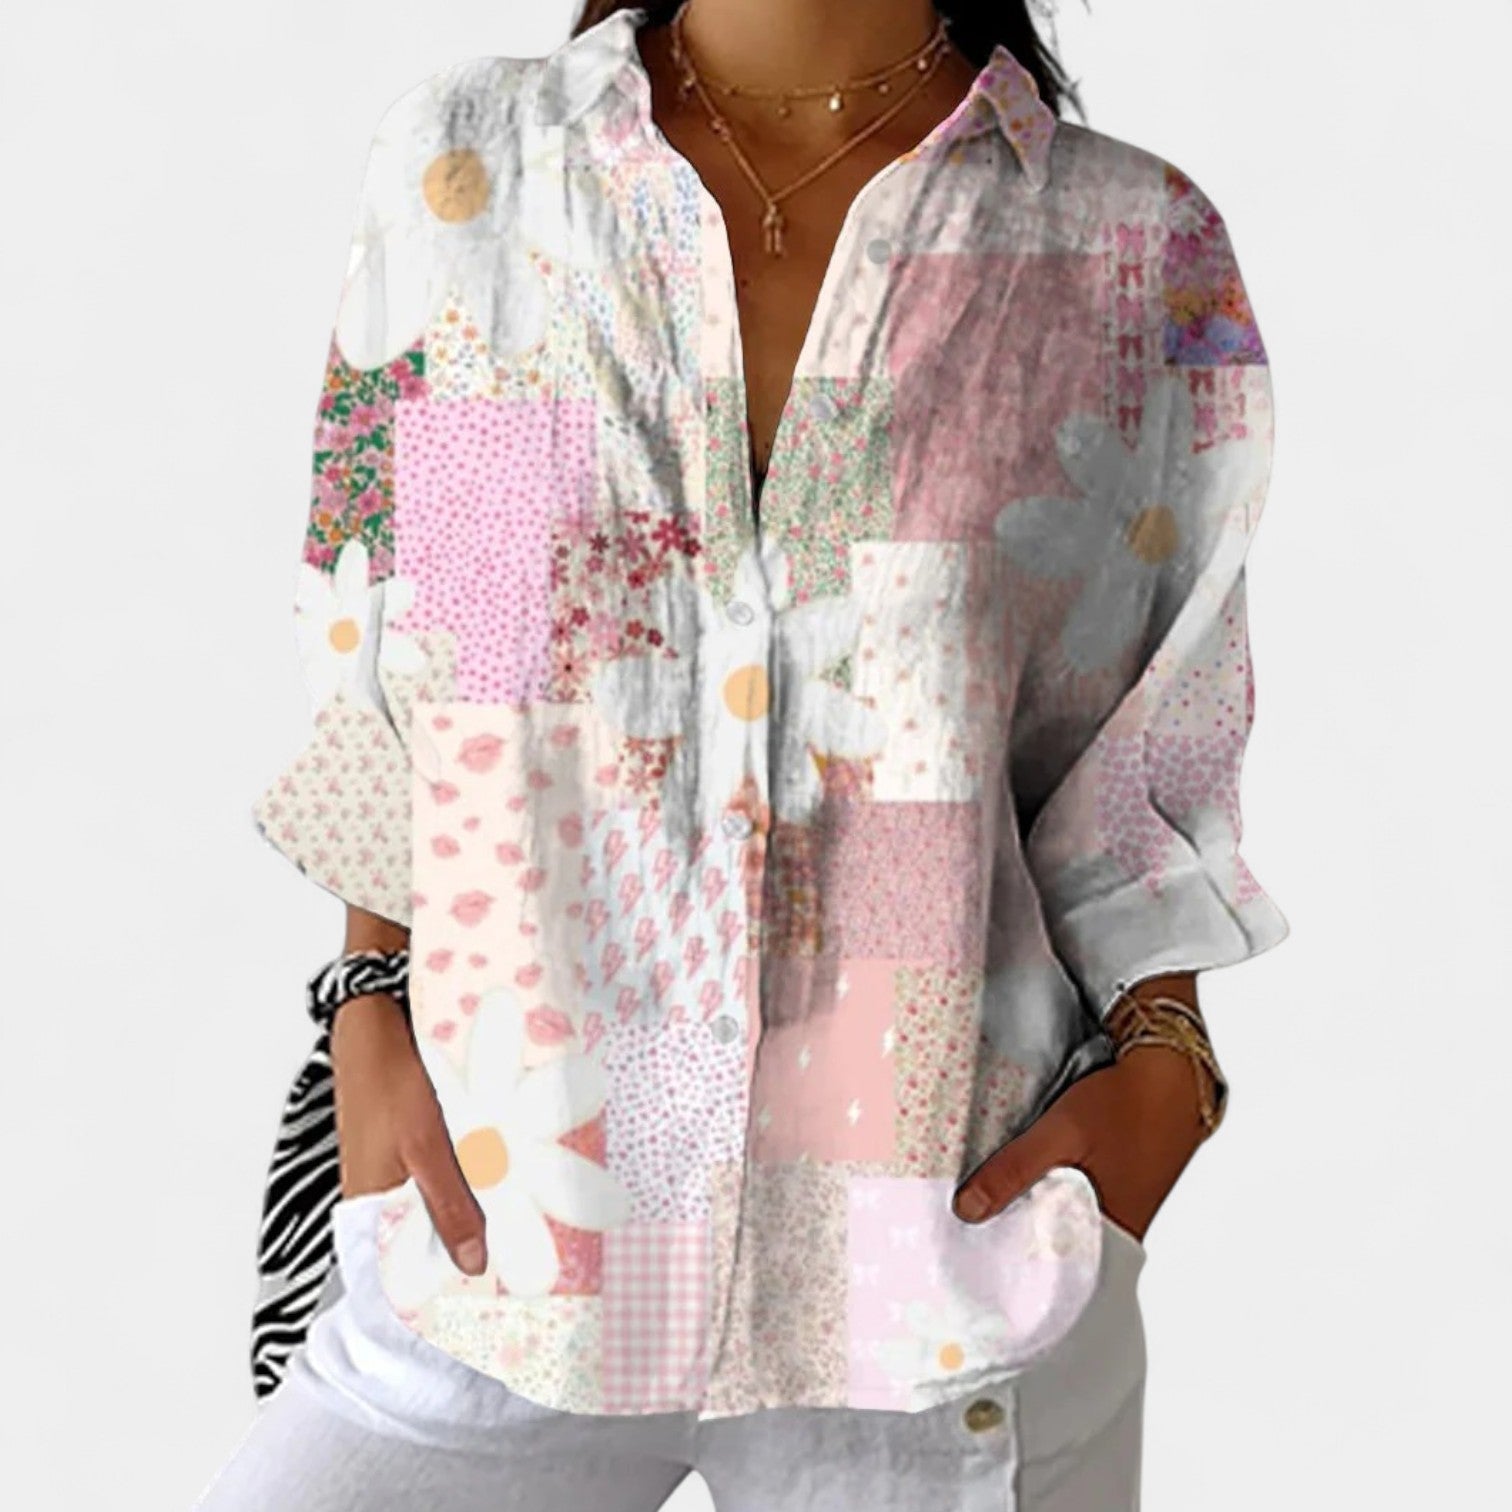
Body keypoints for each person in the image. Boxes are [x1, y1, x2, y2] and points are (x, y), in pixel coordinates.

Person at [202, 1, 1288, 1506]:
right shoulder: (474, 169)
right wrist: (368, 996)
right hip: (513, 1225)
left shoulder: (1127, 249)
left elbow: (1137, 754)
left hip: (941, 1275)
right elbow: (423, 644)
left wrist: (1166, 1080)